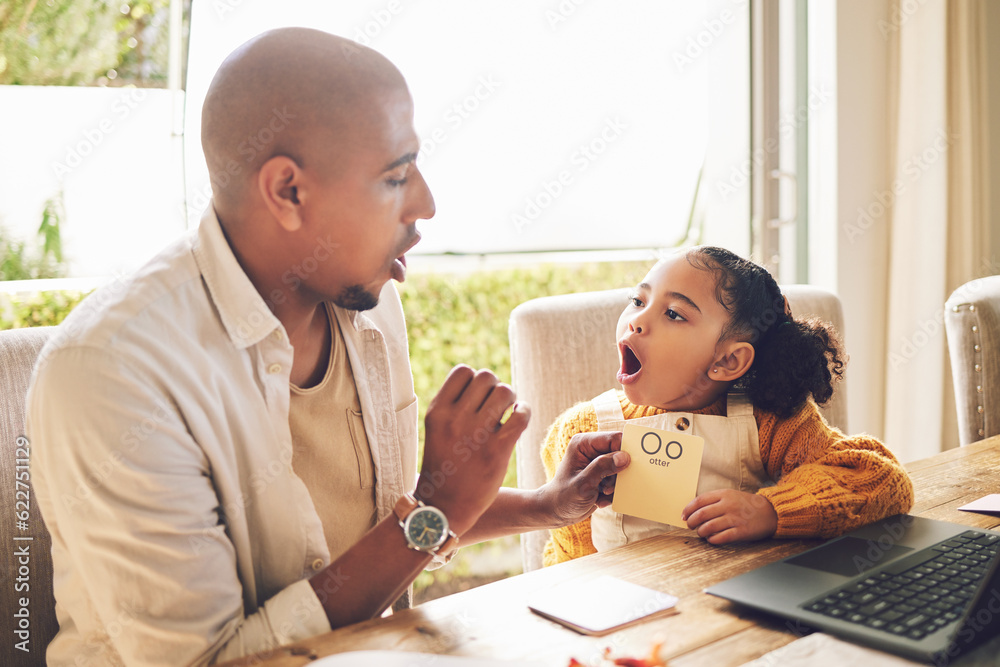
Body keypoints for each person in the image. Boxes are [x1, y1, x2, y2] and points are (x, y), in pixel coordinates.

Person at [27, 28, 628, 666]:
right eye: (396, 176)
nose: (426, 202)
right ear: (287, 192)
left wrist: (545, 505)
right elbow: (214, 661)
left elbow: (384, 528)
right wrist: (436, 507)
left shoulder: (365, 299)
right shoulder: (113, 377)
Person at [541, 246, 915, 566]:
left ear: (729, 361)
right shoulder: (583, 431)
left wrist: (771, 511)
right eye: (638, 301)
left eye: (674, 314)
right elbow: (568, 553)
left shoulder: (770, 424)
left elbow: (882, 481)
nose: (637, 321)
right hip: (627, 628)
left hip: (738, 621)